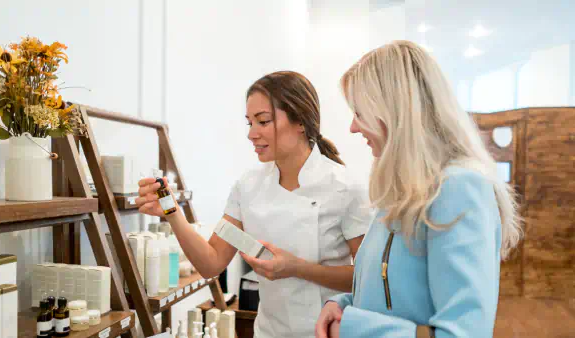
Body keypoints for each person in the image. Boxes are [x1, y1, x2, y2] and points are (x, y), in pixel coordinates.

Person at [136, 71, 372, 338]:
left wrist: (297, 268)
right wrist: (172, 213)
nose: (252, 134)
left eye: (263, 121)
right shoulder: (248, 186)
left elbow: (366, 277)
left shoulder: (344, 187)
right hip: (268, 331)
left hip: (325, 332)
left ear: (301, 122)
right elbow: (211, 263)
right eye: (249, 123)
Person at [315, 40, 523, 338]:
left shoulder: (458, 189)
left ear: (394, 111)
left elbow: (463, 333)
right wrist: (341, 304)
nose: (352, 127)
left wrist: (352, 328)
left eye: (359, 113)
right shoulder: (402, 192)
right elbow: (391, 296)